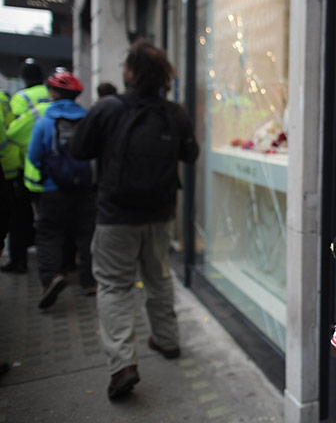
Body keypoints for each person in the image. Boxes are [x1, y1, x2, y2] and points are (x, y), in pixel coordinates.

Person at [70, 38, 199, 400]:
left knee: (114, 286)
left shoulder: (108, 108)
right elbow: (191, 155)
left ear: (130, 72)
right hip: (159, 215)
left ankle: (123, 365)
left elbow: (78, 149)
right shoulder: (174, 113)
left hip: (115, 216)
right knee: (158, 277)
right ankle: (168, 340)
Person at [26, 69, 97, 309]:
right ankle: (89, 281)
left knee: (48, 234)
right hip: (85, 190)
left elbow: (34, 156)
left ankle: (51, 278)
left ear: (55, 93)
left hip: (53, 189)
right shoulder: (88, 119)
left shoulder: (45, 121)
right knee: (86, 235)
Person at [0, 59, 51, 273]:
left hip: (24, 165)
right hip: (53, 162)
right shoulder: (50, 94)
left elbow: (13, 131)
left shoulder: (21, 97)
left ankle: (19, 260)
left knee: (19, 216)